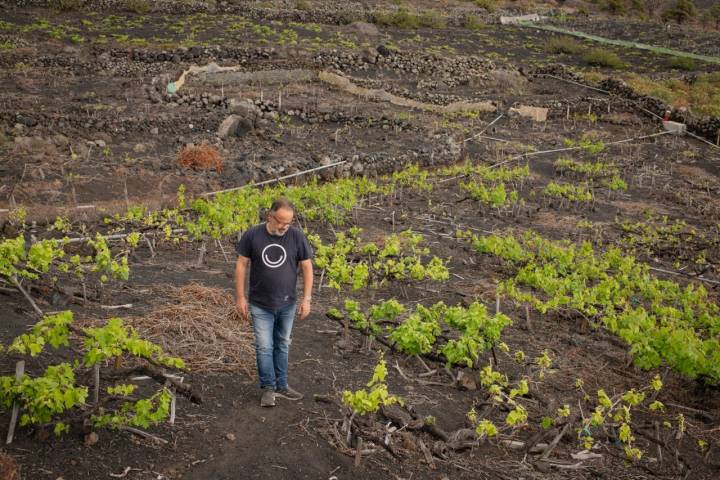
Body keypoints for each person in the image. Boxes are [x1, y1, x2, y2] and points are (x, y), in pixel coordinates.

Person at [235, 198, 314, 407]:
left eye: (288, 223)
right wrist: (240, 297)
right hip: (260, 304)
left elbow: (307, 267)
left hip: (287, 304)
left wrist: (306, 299)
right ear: (270, 216)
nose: (284, 227)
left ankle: (282, 385)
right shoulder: (253, 234)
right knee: (264, 347)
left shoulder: (296, 236)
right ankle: (269, 388)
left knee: (283, 344)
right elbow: (242, 264)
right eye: (281, 222)